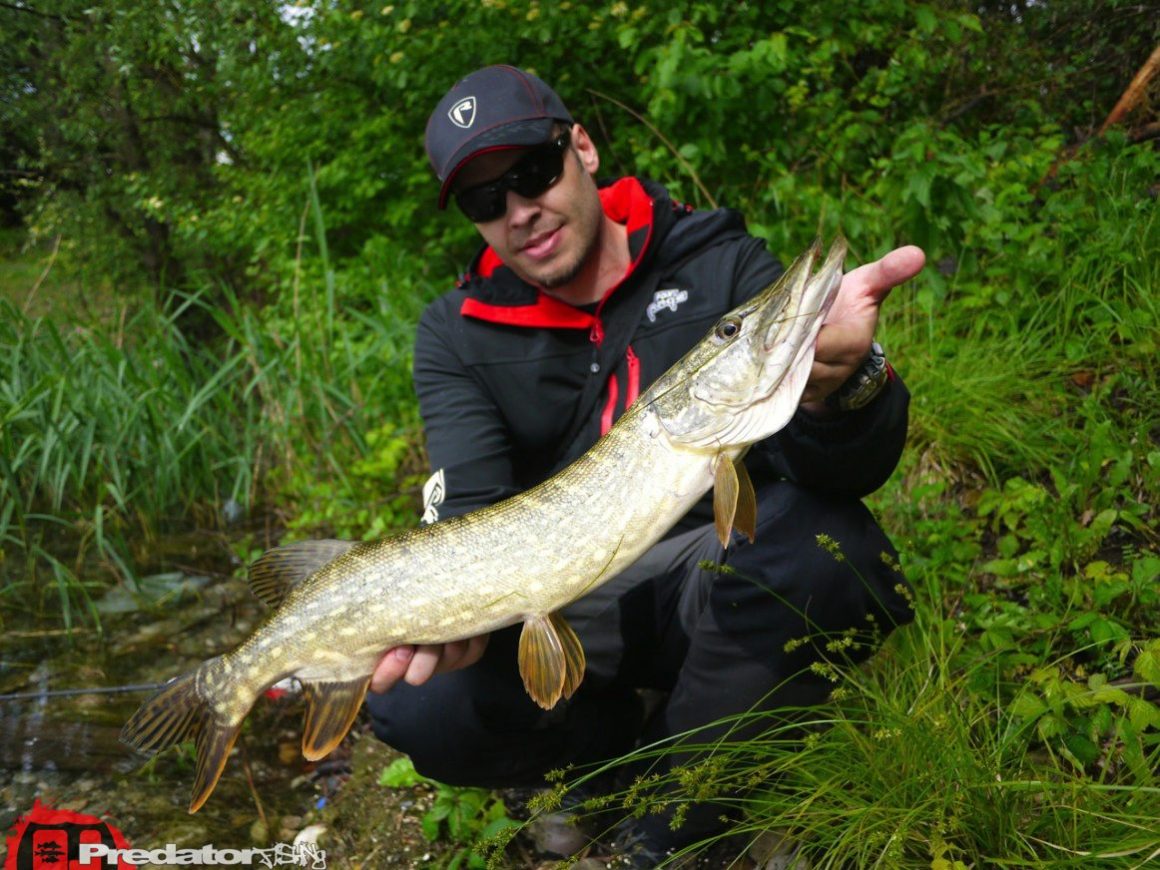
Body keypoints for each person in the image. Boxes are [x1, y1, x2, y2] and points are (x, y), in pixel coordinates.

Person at [364, 65, 925, 863]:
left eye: (532, 171)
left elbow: (839, 469)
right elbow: (472, 509)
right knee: (420, 707)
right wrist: (457, 617)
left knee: (837, 552)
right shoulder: (457, 333)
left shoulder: (717, 262)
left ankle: (672, 822)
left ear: (582, 148)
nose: (520, 210)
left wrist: (842, 386)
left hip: (715, 591)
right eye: (487, 200)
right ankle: (597, 766)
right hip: (566, 602)